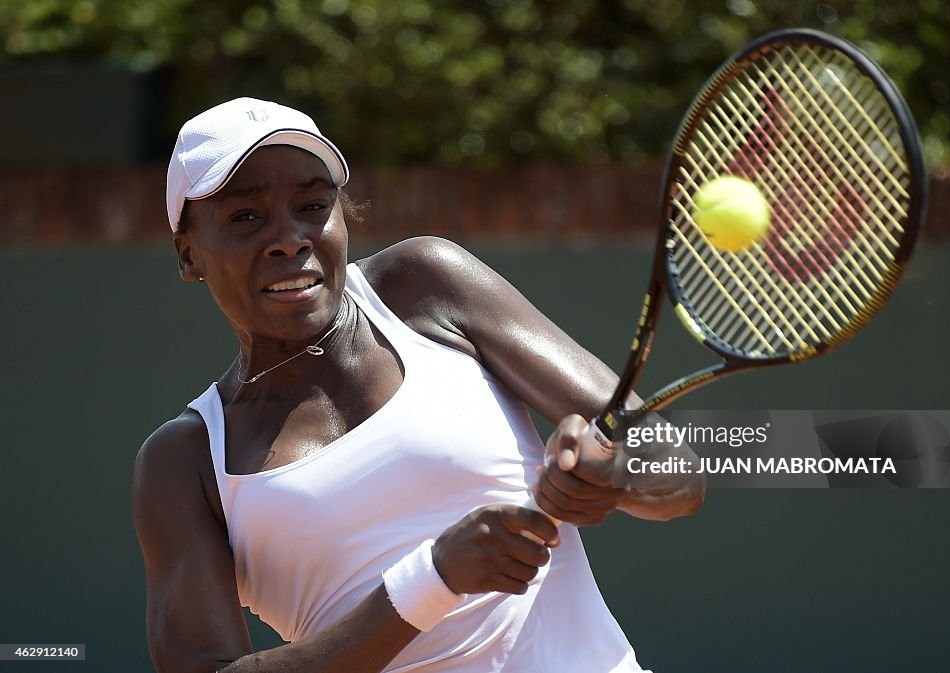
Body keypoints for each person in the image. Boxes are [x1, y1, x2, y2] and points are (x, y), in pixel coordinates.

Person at [133, 97, 705, 673]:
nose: (290, 238)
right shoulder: (183, 463)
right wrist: (430, 579)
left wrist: (614, 476)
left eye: (312, 204)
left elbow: (675, 469)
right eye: (246, 216)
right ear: (188, 253)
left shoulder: (424, 284)